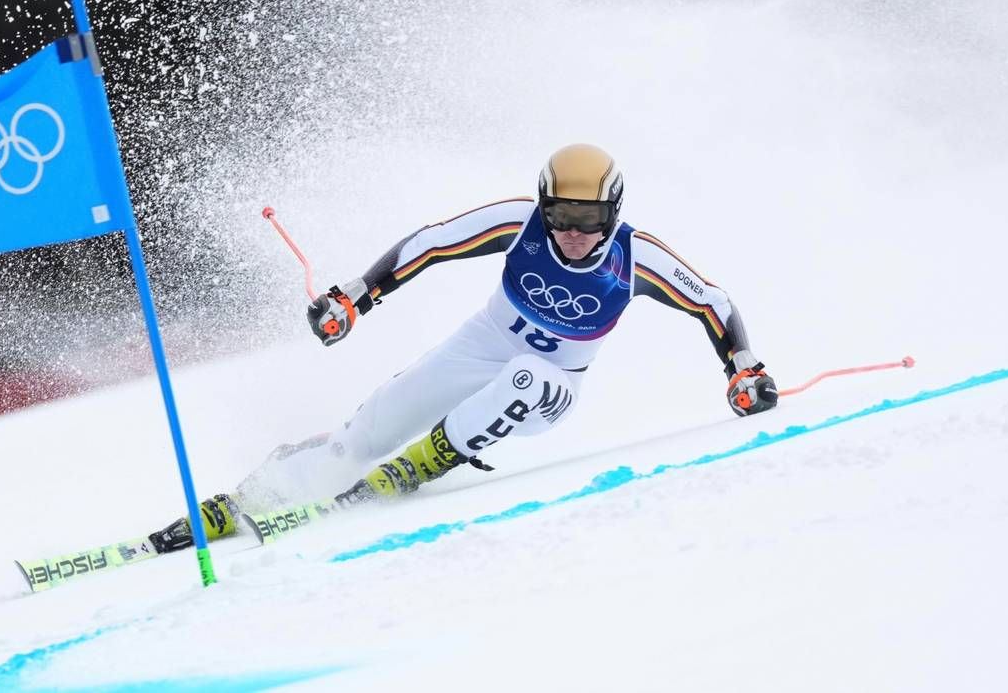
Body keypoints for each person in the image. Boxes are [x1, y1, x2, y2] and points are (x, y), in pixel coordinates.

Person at [150, 143, 779, 551]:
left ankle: (429, 461)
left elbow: (714, 303)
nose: (572, 233)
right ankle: (249, 498)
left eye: (588, 219)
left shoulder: (636, 258)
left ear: (611, 213)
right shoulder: (520, 223)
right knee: (363, 436)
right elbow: (431, 243)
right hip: (481, 345)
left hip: (555, 386)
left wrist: (743, 369)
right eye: (560, 214)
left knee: (528, 374)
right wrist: (353, 297)